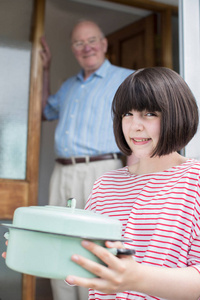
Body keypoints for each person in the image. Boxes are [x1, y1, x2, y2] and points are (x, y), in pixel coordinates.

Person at [64, 67, 200, 300]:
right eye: (127, 114)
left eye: (149, 114)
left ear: (178, 115)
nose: (135, 125)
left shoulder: (194, 181)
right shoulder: (105, 184)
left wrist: (137, 277)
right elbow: (82, 260)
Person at [40, 19, 136, 300]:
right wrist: (44, 70)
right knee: (57, 243)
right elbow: (44, 112)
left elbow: (138, 126)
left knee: (95, 246)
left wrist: (134, 176)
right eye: (79, 43)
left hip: (103, 169)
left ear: (104, 44)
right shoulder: (68, 86)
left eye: (92, 40)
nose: (87, 47)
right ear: (72, 49)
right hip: (62, 171)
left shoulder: (126, 78)